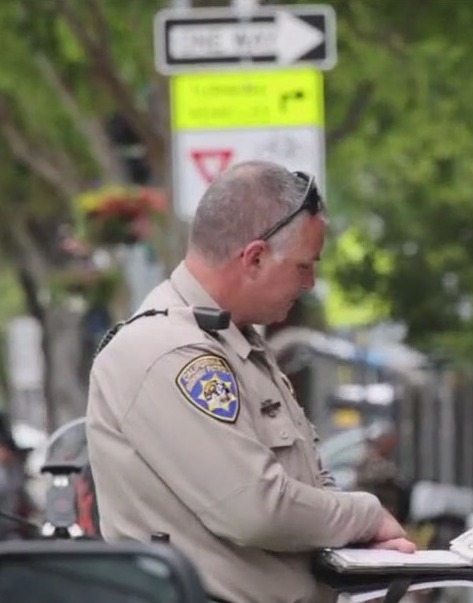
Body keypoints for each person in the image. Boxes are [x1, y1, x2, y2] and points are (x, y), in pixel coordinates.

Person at [86, 161, 416, 603]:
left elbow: (309, 486)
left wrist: (359, 548)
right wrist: (367, 516)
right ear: (255, 257)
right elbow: (255, 509)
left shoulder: (235, 342)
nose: (310, 282)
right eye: (304, 265)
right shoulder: (170, 351)